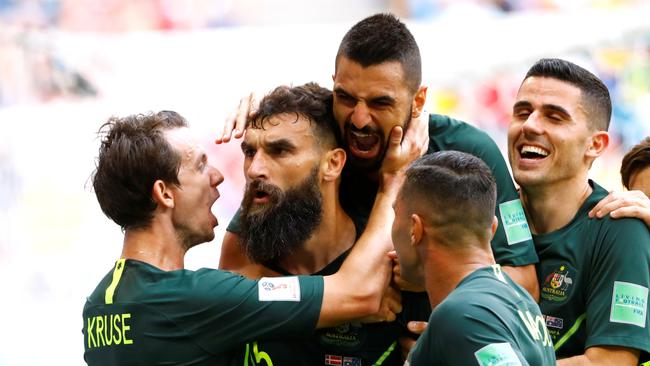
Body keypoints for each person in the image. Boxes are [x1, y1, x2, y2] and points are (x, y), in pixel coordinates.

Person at [218, 11, 540, 301]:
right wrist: (269, 110)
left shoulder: (468, 151)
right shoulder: (318, 135)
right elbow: (235, 267)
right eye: (345, 97)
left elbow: (525, 283)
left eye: (380, 103)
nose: (358, 119)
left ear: (418, 100)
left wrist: (434, 282)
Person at [82, 110, 408, 366]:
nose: (218, 176)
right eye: (199, 166)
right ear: (164, 194)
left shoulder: (98, 306)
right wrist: (393, 181)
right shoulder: (195, 299)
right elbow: (358, 293)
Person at [223, 83, 406, 365]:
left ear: (332, 164)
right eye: (249, 152)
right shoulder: (242, 247)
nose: (254, 169)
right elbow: (354, 294)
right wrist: (338, 308)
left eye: (280, 150)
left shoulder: (395, 261)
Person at [508, 58, 650, 364]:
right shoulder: (484, 213)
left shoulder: (620, 227)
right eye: (522, 112)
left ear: (596, 145)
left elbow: (610, 362)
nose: (530, 125)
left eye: (555, 117)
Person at [392, 151, 556, 366]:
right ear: (493, 229)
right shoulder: (522, 301)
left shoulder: (464, 313)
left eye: (395, 214)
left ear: (416, 229)